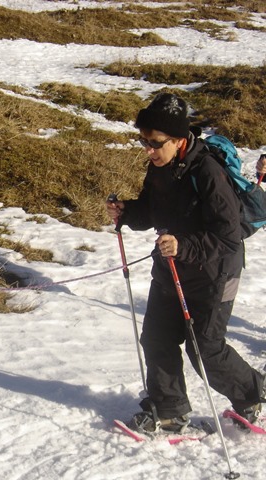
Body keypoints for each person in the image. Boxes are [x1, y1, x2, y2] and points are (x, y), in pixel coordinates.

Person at [106, 92, 264, 433]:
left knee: (204, 348)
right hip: (172, 265)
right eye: (143, 141)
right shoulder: (159, 167)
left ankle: (256, 398)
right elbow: (151, 209)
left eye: (154, 143)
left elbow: (228, 236)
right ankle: (169, 409)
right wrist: (128, 212)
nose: (148, 150)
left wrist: (183, 244)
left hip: (216, 270)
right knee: (156, 337)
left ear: (178, 140)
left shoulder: (207, 172)